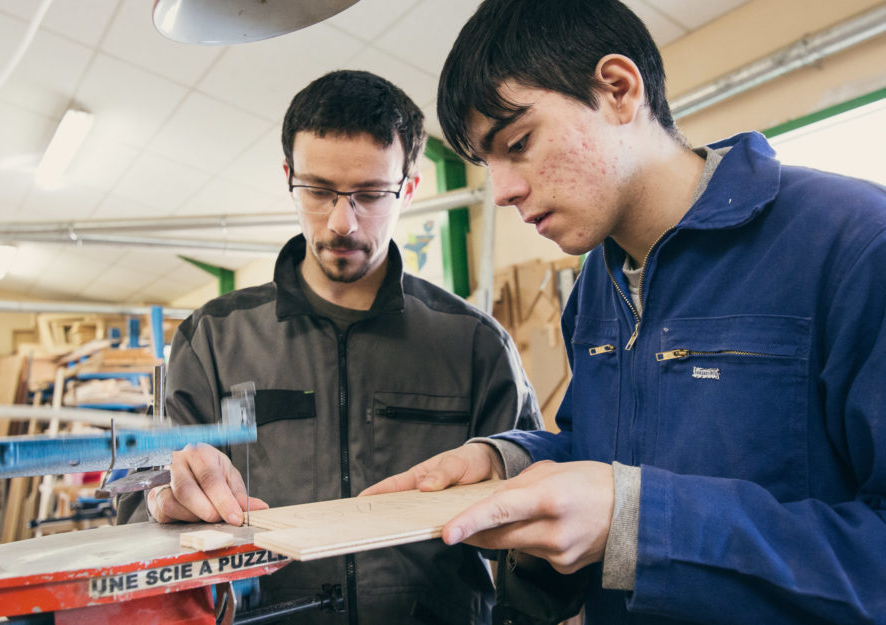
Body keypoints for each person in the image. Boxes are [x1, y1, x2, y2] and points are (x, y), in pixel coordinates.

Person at [362, 1, 886, 624]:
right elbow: (603, 452)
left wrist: (638, 521)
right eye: (488, 163)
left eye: (519, 144)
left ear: (618, 89)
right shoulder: (595, 287)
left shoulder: (852, 242)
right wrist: (509, 461)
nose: (502, 191)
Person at [117, 69, 543, 625]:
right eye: (318, 191)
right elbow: (134, 500)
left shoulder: (474, 343)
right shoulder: (213, 337)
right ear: (289, 178)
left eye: (370, 194)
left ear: (408, 189)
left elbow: (532, 516)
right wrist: (159, 497)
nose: (342, 222)